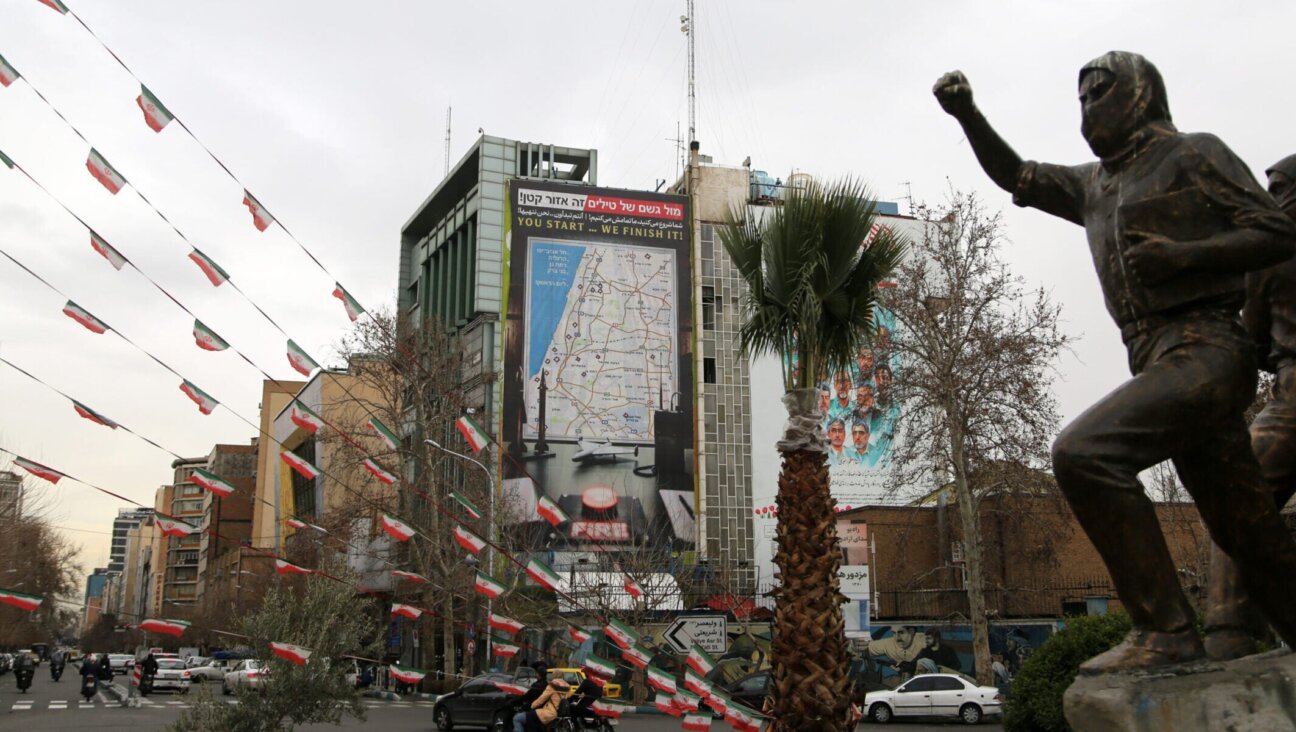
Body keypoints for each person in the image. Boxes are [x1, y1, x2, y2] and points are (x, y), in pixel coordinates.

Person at [934, 51, 1296, 672]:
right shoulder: (1092, 184)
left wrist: (1183, 257)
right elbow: (1015, 173)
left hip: (1207, 349)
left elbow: (1279, 233)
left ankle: (1167, 628)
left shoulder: (1192, 154)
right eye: (1080, 98)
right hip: (1155, 359)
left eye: (1098, 92)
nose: (1087, 107)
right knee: (1248, 533)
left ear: (1139, 94)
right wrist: (968, 115)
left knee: (1084, 453)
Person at [1204, 153, 1296, 660]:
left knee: (1233, 491)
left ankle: (1230, 628)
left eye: (1278, 189)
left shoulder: (1270, 252)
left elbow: (1253, 337)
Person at [512, 663, 550, 732]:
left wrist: (513, 700)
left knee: (516, 718)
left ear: (538, 674)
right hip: (544, 711)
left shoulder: (536, 686)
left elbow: (527, 697)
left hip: (535, 711)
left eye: (536, 673)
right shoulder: (547, 685)